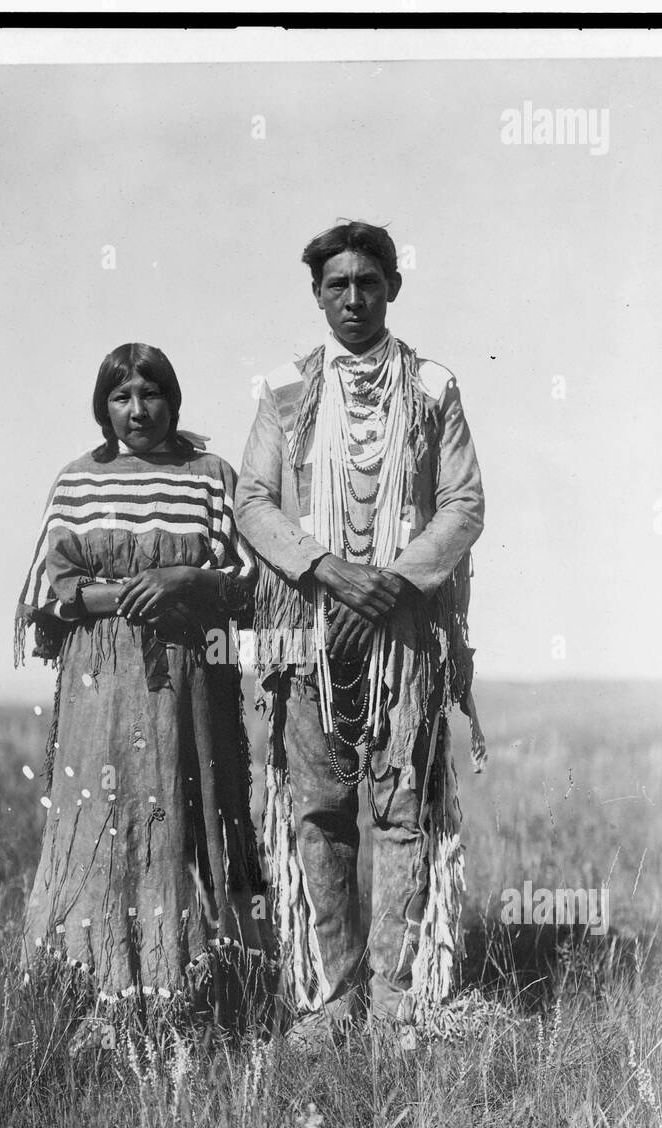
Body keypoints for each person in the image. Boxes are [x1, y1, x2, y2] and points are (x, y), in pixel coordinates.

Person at [235, 221, 487, 1048]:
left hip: (401, 640)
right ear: (316, 294)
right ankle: (335, 997)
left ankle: (393, 999)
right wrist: (325, 570)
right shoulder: (281, 390)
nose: (352, 298)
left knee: (401, 809)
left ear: (392, 288)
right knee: (319, 810)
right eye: (336, 284)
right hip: (307, 632)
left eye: (368, 282)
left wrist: (393, 580)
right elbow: (252, 502)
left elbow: (462, 503)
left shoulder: (434, 386)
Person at [15, 343, 273, 1035]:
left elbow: (250, 580)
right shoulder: (77, 481)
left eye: (150, 395)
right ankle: (91, 985)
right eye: (121, 397)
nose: (137, 410)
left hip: (191, 680)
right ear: (102, 408)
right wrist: (126, 597)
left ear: (173, 400)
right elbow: (49, 590)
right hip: (98, 684)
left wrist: (187, 581)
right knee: (101, 814)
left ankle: (203, 990)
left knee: (190, 813)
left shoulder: (211, 477)